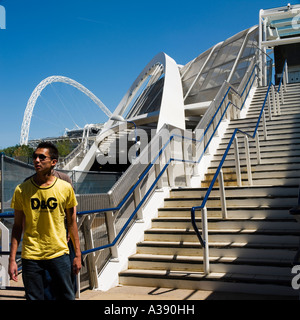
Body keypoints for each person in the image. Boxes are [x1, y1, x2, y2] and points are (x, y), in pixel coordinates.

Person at [8, 141, 81, 300]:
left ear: (53, 162)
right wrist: (12, 259)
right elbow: (17, 227)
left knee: (67, 296)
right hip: (31, 256)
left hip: (59, 253)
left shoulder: (65, 187)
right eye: (35, 157)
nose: (37, 160)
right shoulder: (22, 190)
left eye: (42, 157)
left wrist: (77, 255)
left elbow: (72, 222)